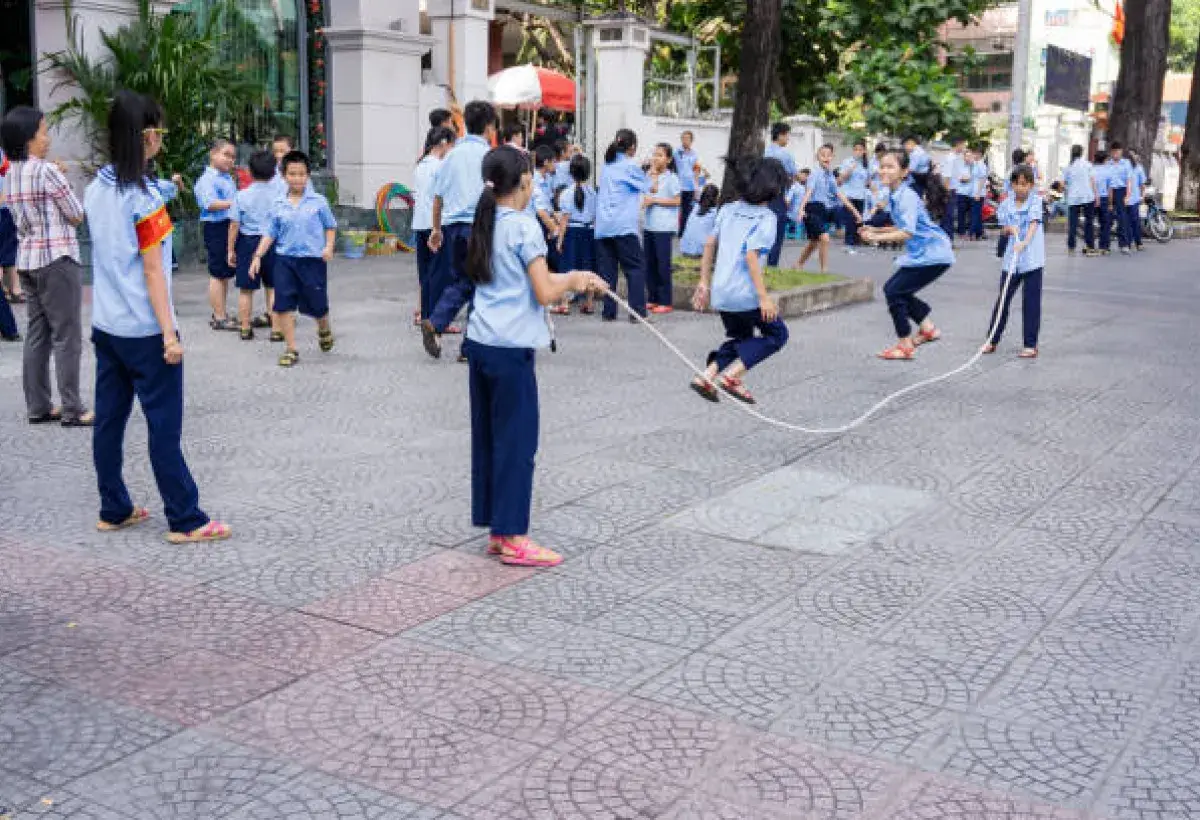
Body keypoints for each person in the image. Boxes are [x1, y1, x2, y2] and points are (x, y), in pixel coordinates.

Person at [85, 90, 230, 543]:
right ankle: (186, 519)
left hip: (107, 325)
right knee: (163, 426)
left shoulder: (95, 189)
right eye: (160, 132)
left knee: (109, 421)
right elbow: (152, 272)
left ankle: (114, 507)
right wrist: (170, 334)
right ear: (147, 136)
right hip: (146, 330)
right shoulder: (144, 201)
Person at [462, 145, 606, 567]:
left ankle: (497, 529)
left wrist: (573, 278)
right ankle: (512, 536)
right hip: (510, 349)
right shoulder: (524, 227)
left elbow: (529, 281)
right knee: (517, 442)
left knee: (490, 438)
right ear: (525, 181)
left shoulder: (485, 220)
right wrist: (576, 278)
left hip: (482, 341)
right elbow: (544, 291)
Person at [2, 105, 90, 425]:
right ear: (29, 137)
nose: (47, 138)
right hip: (57, 259)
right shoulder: (47, 171)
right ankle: (72, 408)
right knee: (67, 335)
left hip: (27, 260)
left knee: (37, 334)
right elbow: (76, 214)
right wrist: (62, 178)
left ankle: (38, 405)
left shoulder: (10, 173)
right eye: (43, 131)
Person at [689, 156, 789, 406]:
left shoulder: (728, 209)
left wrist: (704, 282)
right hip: (745, 294)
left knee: (741, 339)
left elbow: (709, 244)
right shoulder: (766, 218)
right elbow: (751, 256)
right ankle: (732, 377)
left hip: (721, 291)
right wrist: (764, 298)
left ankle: (706, 376)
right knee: (778, 334)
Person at [858, 148, 954, 361]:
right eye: (882, 166)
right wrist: (875, 230)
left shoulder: (906, 196)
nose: (884, 171)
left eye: (890, 167)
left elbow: (907, 232)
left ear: (904, 172)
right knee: (898, 291)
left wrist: (875, 238)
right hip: (928, 253)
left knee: (893, 290)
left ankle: (905, 345)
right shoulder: (896, 194)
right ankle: (927, 329)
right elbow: (904, 225)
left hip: (933, 254)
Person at [422, 100, 497, 360]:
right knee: (480, 283)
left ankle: (439, 324)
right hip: (479, 228)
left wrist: (436, 229)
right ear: (489, 127)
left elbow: (437, 197)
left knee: (464, 281)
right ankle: (464, 343)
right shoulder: (490, 156)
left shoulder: (452, 155)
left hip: (452, 228)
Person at [249, 150, 336, 368]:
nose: (297, 179)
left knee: (317, 305)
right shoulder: (278, 203)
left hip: (312, 261)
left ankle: (323, 327)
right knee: (283, 304)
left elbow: (330, 226)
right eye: (292, 174)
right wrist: (257, 256)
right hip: (285, 260)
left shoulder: (319, 202)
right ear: (284, 176)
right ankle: (291, 348)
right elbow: (270, 233)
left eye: (301, 174)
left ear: (308, 175)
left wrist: (328, 247)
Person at [985, 164, 1043, 359]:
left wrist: (1025, 242)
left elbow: (1034, 224)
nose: (1020, 188)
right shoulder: (1006, 204)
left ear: (1031, 185)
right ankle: (992, 340)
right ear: (1012, 185)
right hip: (1011, 260)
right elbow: (1003, 227)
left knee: (1031, 302)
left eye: (1024, 184)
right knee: (1003, 299)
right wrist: (1009, 229)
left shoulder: (1036, 201)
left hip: (1032, 259)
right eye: (1017, 184)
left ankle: (1030, 345)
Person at [595, 128, 649, 322]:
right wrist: (647, 169)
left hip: (603, 226)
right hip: (623, 226)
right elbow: (649, 186)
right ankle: (637, 313)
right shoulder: (630, 166)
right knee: (635, 269)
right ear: (632, 147)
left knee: (608, 272)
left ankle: (608, 312)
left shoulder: (607, 166)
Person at [226, 150, 281, 341]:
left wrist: (230, 249)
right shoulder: (280, 196)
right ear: (274, 172)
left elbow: (234, 224)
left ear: (249, 171)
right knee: (273, 287)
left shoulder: (241, 196)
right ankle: (276, 330)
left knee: (246, 289)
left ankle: (245, 328)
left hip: (247, 243)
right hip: (272, 242)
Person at [194, 139, 238, 330]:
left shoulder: (226, 177)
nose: (230, 160)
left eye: (233, 157)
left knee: (224, 273)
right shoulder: (207, 179)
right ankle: (219, 317)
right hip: (216, 226)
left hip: (227, 225)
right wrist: (236, 203)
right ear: (213, 154)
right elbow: (209, 204)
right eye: (226, 154)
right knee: (217, 273)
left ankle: (221, 313)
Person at [413, 126, 456, 324]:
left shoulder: (420, 166)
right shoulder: (440, 167)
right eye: (452, 145)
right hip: (435, 225)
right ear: (444, 143)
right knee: (440, 274)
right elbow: (444, 198)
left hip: (419, 224)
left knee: (425, 274)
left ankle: (426, 316)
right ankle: (437, 320)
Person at [797, 144, 858, 274]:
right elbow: (808, 192)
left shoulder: (830, 175)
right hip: (811, 208)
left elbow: (839, 194)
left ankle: (798, 265)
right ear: (817, 157)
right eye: (822, 155)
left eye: (829, 155)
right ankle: (824, 270)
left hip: (822, 209)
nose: (826, 157)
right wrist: (801, 209)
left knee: (814, 242)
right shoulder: (814, 174)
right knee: (824, 238)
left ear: (832, 157)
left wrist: (855, 211)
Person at [553, 153, 597, 315]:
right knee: (588, 267)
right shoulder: (593, 193)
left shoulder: (566, 193)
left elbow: (564, 220)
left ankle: (565, 304)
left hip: (571, 232)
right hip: (589, 232)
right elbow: (595, 217)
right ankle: (589, 303)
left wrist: (559, 240)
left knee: (568, 268)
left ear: (571, 172)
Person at [644, 142, 681, 314]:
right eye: (654, 154)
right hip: (649, 225)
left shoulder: (672, 178)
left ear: (668, 159)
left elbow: (677, 200)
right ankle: (653, 298)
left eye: (660, 155)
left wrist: (655, 200)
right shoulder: (649, 175)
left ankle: (666, 301)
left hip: (664, 228)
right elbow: (647, 194)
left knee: (662, 265)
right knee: (649, 264)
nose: (655, 158)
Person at [763, 122, 798, 266]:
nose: (788, 138)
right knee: (777, 233)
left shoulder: (763, 152)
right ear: (781, 135)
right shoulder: (785, 155)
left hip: (761, 196)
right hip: (778, 195)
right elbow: (793, 176)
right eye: (787, 135)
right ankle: (772, 264)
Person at [531, 145, 562, 273]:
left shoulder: (548, 178)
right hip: (537, 222)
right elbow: (541, 212)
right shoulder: (534, 180)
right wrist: (555, 229)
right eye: (553, 161)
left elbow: (547, 204)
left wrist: (555, 215)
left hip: (546, 219)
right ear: (545, 162)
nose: (556, 165)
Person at [1063, 145, 1098, 257]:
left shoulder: (1068, 167)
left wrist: (1067, 194)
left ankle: (1071, 247)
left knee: (1073, 223)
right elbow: (1092, 181)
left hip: (1073, 197)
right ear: (1082, 153)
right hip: (1087, 196)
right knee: (1089, 222)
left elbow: (1064, 184)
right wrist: (1096, 196)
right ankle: (1089, 246)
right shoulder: (1088, 165)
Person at [838, 139, 870, 248]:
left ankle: (856, 241)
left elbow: (867, 181)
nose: (858, 152)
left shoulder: (866, 164)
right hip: (849, 195)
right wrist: (850, 169)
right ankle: (849, 241)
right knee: (850, 219)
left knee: (859, 219)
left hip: (861, 195)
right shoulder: (847, 162)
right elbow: (841, 179)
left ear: (864, 151)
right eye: (856, 149)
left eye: (860, 150)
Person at [1107, 142, 1134, 255]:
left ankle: (1124, 244)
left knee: (1122, 218)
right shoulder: (1108, 164)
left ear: (1121, 152)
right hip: (1109, 191)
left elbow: (1129, 181)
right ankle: (1105, 245)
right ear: (1111, 152)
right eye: (1114, 152)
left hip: (1121, 191)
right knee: (1107, 218)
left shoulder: (1126, 163)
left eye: (1117, 151)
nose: (1116, 154)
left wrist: (1127, 196)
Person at [679, 183, 720, 258]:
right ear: (716, 197)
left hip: (685, 248)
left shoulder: (695, 207)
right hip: (702, 251)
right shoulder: (716, 212)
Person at [674, 130, 701, 236]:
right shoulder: (676, 152)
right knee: (675, 208)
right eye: (683, 138)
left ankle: (682, 232)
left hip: (690, 187)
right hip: (678, 186)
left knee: (687, 210)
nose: (685, 140)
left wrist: (696, 187)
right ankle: (672, 229)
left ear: (691, 140)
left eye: (687, 138)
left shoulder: (694, 154)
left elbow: (696, 171)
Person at [940, 138, 967, 239]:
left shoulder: (957, 157)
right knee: (948, 216)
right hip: (949, 190)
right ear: (958, 145)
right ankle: (947, 239)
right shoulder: (951, 159)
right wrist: (946, 193)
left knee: (947, 216)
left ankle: (943, 239)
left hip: (953, 189)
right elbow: (946, 176)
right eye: (963, 145)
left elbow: (956, 174)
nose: (964, 148)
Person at [1126, 149, 1147, 252]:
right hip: (1126, 199)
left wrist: (1142, 196)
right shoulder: (1125, 168)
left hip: (1133, 199)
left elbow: (1142, 185)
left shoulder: (1138, 168)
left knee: (1133, 221)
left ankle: (1137, 242)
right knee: (1130, 222)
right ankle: (1131, 242)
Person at [1094, 151, 1113, 256]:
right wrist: (1110, 203)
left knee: (1090, 222)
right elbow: (1110, 189)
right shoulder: (1108, 171)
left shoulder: (1090, 170)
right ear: (1105, 160)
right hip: (1104, 198)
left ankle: (1090, 245)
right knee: (1105, 223)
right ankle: (1104, 247)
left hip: (1091, 198)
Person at [969, 147, 989, 241]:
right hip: (973, 192)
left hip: (978, 193)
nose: (973, 155)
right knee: (976, 213)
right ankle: (979, 233)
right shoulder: (975, 164)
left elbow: (982, 179)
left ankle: (973, 233)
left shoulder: (981, 165)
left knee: (975, 214)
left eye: (975, 153)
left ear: (979, 154)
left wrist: (978, 193)